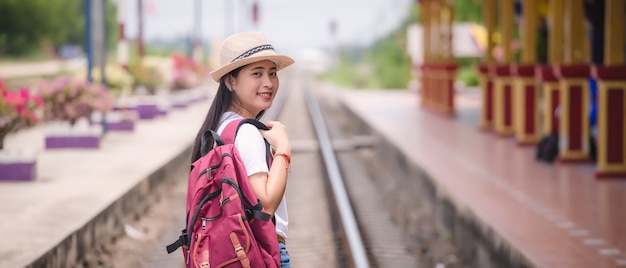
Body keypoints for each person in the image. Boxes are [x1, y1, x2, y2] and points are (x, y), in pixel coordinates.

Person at [190, 31, 294, 268]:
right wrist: (284, 150)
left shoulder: (221, 126)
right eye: (256, 73)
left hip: (232, 251)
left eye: (272, 73)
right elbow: (265, 205)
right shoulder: (246, 133)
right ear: (231, 81)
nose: (268, 83)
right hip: (261, 250)